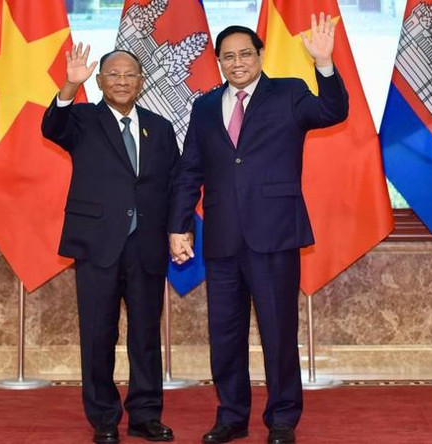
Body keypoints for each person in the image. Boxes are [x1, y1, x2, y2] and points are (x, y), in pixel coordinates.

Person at [168, 15, 348, 444]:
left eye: (245, 54)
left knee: (277, 331)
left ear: (260, 56)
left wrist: (324, 63)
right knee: (224, 334)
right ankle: (231, 417)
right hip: (223, 237)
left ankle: (282, 418)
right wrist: (178, 226)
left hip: (274, 233)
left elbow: (332, 110)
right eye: (227, 57)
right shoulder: (205, 105)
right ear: (218, 63)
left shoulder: (287, 92)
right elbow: (190, 168)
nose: (237, 62)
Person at [42, 44, 178, 444]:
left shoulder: (161, 127)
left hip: (147, 246)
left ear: (141, 82)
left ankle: (145, 415)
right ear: (100, 82)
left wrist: (177, 229)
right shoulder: (82, 119)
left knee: (145, 336)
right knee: (99, 333)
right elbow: (53, 127)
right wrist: (69, 84)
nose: (122, 81)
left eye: (129, 75)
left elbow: (172, 185)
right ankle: (103, 418)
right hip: (97, 244)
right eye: (113, 75)